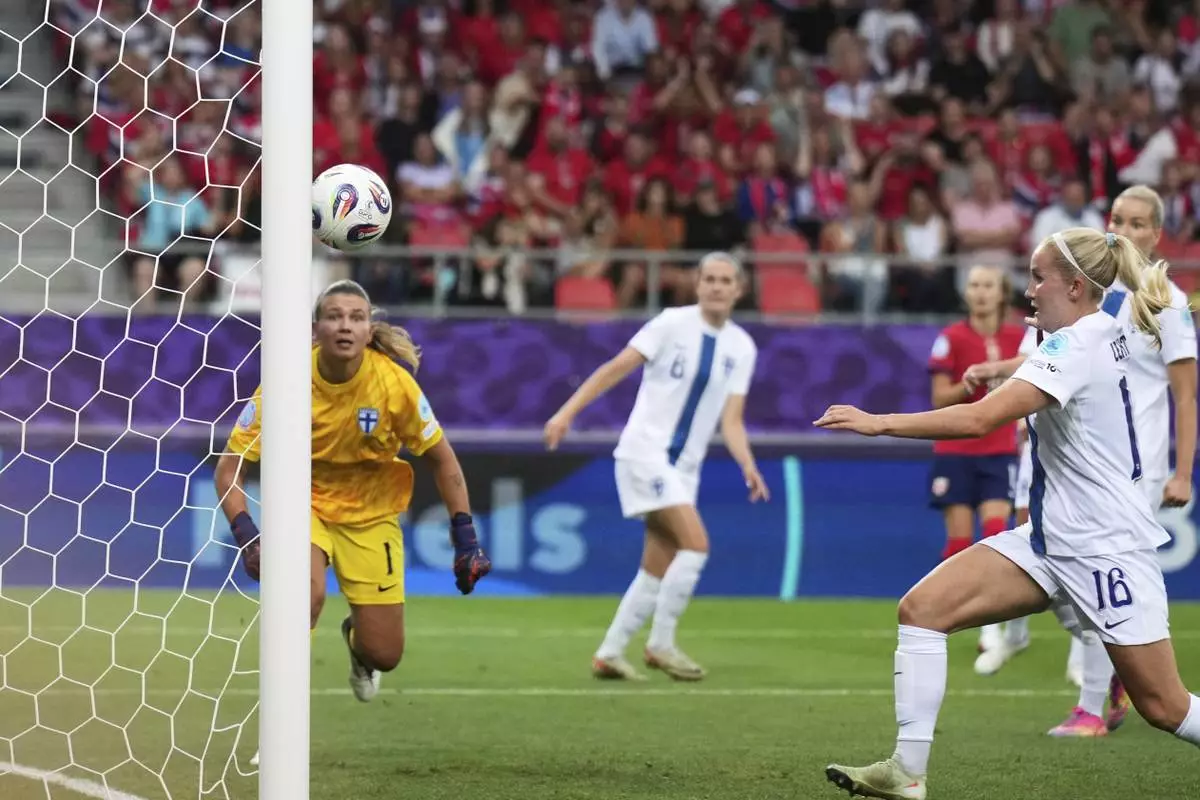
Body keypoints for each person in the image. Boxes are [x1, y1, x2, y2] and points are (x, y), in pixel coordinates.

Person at [816, 227, 1200, 799]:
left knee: (1164, 706)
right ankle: (906, 772)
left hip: (1105, 548)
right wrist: (1006, 368)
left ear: (1074, 285)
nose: (1029, 290)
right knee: (922, 610)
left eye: (1038, 276)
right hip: (1050, 541)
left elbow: (977, 421)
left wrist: (879, 421)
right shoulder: (1096, 331)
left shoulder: (1074, 347)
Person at [215, 280, 492, 765]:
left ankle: (356, 643)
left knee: (385, 653)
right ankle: (279, 737)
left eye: (356, 316)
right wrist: (247, 536)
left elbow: (443, 460)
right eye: (335, 315)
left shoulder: (393, 384)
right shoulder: (286, 380)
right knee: (305, 593)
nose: (345, 324)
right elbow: (229, 467)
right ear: (316, 329)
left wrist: (465, 539)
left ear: (369, 329)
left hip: (372, 515)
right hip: (304, 504)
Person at [962, 185, 1197, 738]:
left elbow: (1184, 392)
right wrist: (1000, 372)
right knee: (1052, 554)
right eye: (1118, 218)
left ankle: (1096, 703)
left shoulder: (1164, 298)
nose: (1126, 230)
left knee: (1096, 570)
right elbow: (1050, 361)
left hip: (1131, 465)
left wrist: (1184, 470)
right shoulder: (1078, 289)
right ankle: (1104, 668)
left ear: (1156, 234)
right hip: (1070, 452)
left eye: (1139, 223)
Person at [543, 253, 768, 681]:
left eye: (726, 281)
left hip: (685, 469)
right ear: (697, 284)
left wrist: (748, 464)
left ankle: (609, 653)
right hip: (646, 454)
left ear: (739, 289)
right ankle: (661, 643)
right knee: (695, 545)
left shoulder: (742, 347)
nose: (717, 287)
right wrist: (566, 413)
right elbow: (616, 369)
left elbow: (731, 420)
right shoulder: (671, 324)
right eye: (710, 279)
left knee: (658, 563)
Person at [925, 265, 1024, 665]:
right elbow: (938, 400)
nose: (981, 292)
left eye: (988, 285)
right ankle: (946, 612)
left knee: (997, 535)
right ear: (966, 293)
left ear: (1001, 293)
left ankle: (991, 627)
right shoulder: (950, 340)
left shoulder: (1021, 337)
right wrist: (970, 385)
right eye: (974, 285)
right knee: (958, 544)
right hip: (955, 451)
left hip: (1000, 449)